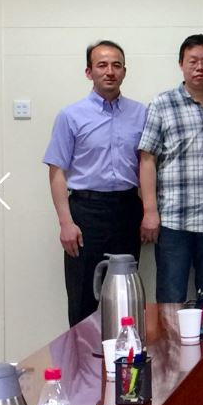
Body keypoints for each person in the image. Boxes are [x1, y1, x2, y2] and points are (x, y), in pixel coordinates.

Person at [43, 40, 146, 326]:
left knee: (125, 296)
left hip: (127, 209)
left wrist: (149, 211)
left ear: (124, 71)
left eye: (116, 65)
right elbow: (56, 172)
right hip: (86, 212)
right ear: (89, 72)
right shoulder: (70, 115)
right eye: (102, 65)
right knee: (83, 297)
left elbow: (147, 166)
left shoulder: (141, 114)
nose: (109, 71)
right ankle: (82, 356)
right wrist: (66, 223)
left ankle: (122, 354)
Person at [138, 34, 203, 302]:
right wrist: (150, 212)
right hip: (173, 221)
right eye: (193, 61)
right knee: (170, 300)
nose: (200, 67)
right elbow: (147, 159)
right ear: (181, 64)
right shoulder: (162, 104)